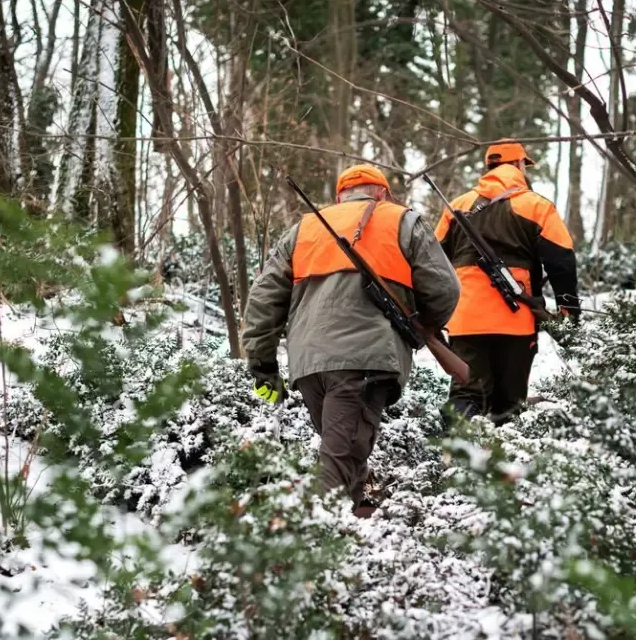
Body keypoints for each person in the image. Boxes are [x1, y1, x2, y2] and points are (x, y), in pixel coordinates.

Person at [242, 164, 460, 517]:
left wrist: (263, 366)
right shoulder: (403, 221)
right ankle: (314, 549)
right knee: (339, 464)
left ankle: (358, 529)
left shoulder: (303, 229)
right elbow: (445, 289)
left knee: (344, 456)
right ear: (382, 193)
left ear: (340, 196)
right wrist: (423, 327)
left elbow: (263, 301)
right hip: (364, 360)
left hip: (309, 366)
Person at [435, 139, 579, 424]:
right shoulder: (537, 206)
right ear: (518, 164)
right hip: (516, 319)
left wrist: (435, 313)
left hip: (465, 319)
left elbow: (433, 262)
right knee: (509, 404)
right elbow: (561, 261)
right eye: (524, 164)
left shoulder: (457, 206)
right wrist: (568, 314)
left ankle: (454, 459)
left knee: (467, 395)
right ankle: (502, 462)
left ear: (489, 167)